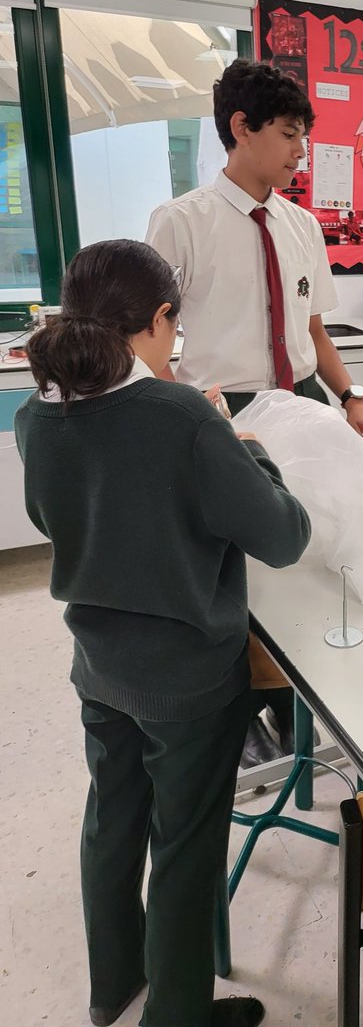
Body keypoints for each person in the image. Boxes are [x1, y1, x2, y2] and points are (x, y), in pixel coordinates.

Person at [16, 240, 309, 1027]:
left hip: (98, 663)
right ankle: (178, 1016)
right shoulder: (177, 415)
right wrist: (245, 450)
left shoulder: (35, 414)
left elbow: (62, 516)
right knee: (183, 845)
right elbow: (282, 535)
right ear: (159, 320)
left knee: (113, 820)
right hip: (187, 678)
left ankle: (112, 983)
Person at [147, 59, 363, 770]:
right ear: (241, 129)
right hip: (227, 415)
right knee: (236, 569)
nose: (299, 151)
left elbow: (315, 332)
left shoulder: (300, 225)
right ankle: (247, 708)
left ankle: (292, 701)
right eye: (288, 135)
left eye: (303, 137)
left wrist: (353, 399)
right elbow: (147, 337)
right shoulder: (180, 223)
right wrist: (182, 411)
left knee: (308, 552)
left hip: (304, 405)